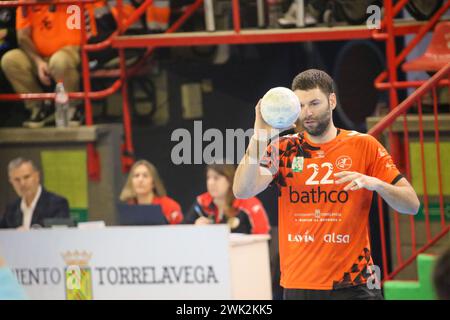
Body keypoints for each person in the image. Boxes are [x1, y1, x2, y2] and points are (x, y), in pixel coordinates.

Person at [233, 69, 420, 300]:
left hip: (354, 283)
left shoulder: (364, 145)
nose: (307, 113)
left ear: (332, 101)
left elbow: (412, 205)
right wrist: (259, 135)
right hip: (299, 283)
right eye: (300, 106)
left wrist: (376, 183)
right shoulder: (282, 149)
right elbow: (242, 189)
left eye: (314, 103)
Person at [0, 0, 86, 128]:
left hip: (68, 52)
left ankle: (73, 108)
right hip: (39, 56)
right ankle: (39, 108)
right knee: (10, 60)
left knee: (58, 61)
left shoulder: (70, 2)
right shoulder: (26, 4)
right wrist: (38, 61)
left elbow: (76, 39)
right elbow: (22, 37)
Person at [184, 163, 270, 235]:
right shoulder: (201, 202)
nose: (210, 183)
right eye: (208, 178)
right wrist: (194, 229)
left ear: (229, 180)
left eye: (216, 178)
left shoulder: (248, 203)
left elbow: (263, 239)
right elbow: (181, 233)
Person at [0, 157, 70, 229]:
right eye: (17, 180)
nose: (22, 183)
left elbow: (59, 236)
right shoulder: (11, 208)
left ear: (37, 176)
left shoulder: (57, 204)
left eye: (26, 177)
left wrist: (28, 235)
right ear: (11, 182)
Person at [119, 160, 183, 224]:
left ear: (153, 183)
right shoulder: (129, 208)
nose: (140, 180)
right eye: (136, 175)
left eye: (145, 176)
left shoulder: (169, 206)